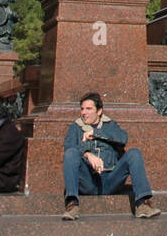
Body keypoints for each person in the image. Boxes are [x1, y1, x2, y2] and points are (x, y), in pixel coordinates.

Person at [61, 92, 161, 220]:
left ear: (99, 111)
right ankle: (72, 204)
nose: (84, 112)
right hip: (89, 181)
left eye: (89, 109)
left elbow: (122, 138)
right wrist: (88, 154)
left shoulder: (110, 125)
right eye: (82, 109)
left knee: (134, 153)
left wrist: (96, 132)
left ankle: (143, 204)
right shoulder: (75, 127)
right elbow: (69, 147)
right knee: (71, 153)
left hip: (110, 179)